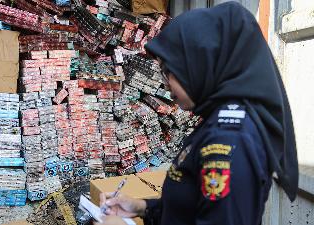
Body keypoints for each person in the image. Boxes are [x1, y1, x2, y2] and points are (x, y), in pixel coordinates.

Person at [96, 2, 298, 225]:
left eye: (169, 71)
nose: (165, 84)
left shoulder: (231, 138)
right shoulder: (214, 121)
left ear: (199, 65)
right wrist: (142, 207)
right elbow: (189, 207)